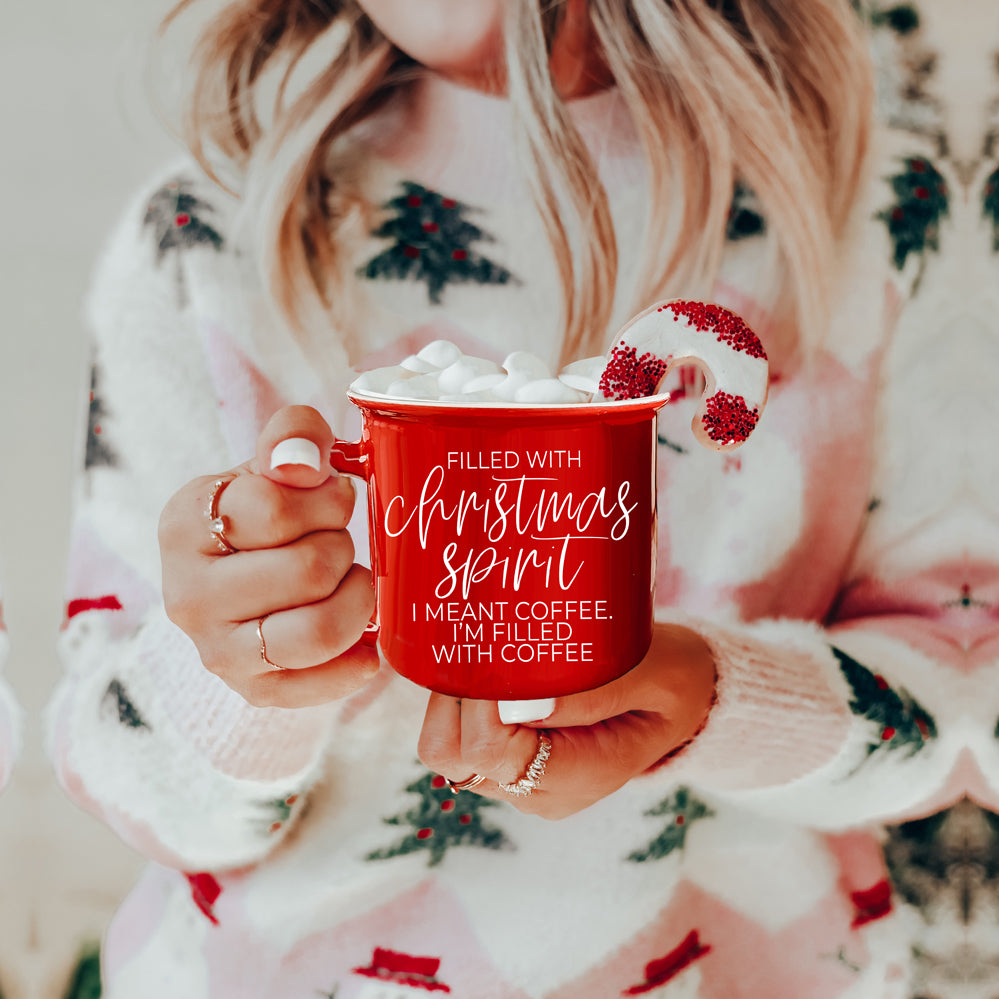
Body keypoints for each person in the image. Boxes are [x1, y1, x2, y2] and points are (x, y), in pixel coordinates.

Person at [47, 0, 990, 995]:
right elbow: (128, 784)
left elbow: (962, 713)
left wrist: (712, 697)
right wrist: (236, 681)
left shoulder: (893, 224)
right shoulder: (202, 242)